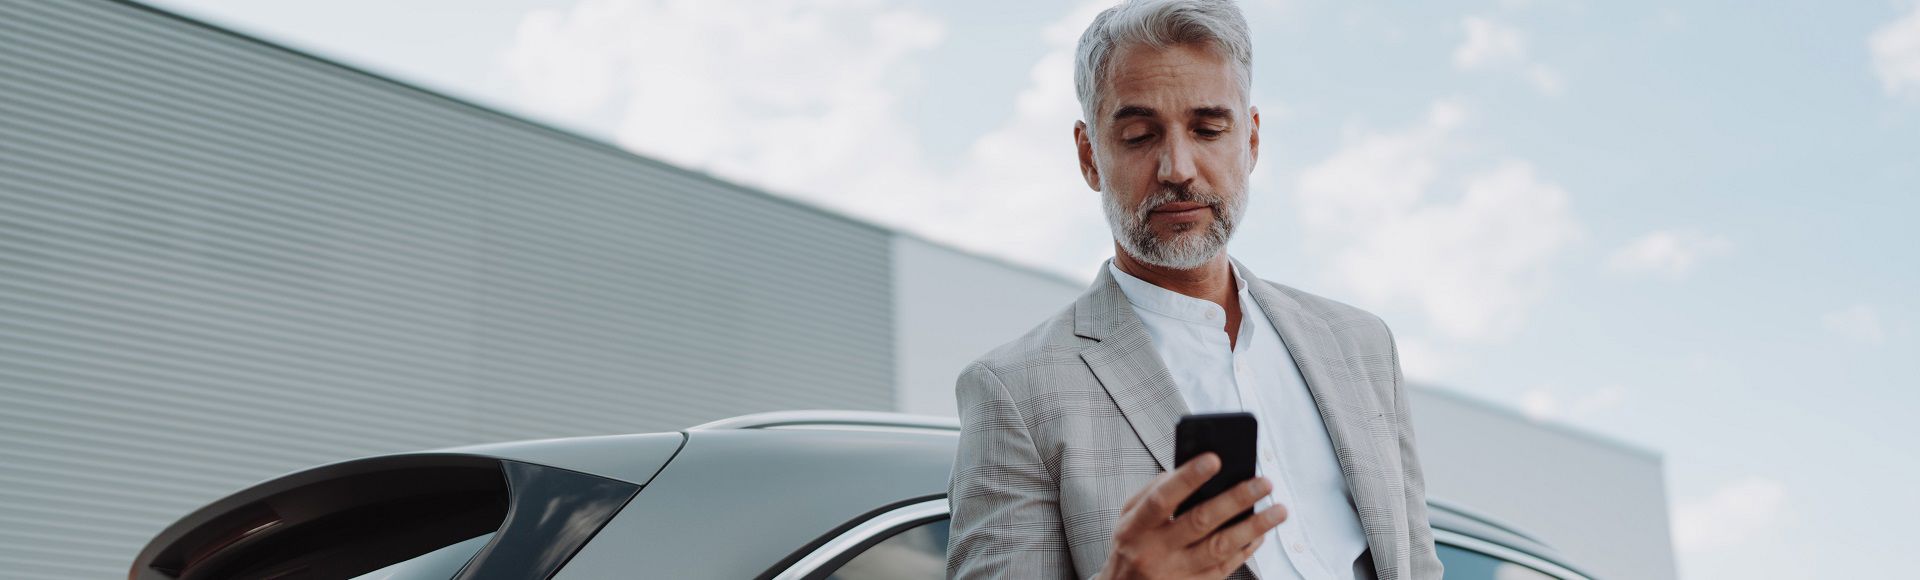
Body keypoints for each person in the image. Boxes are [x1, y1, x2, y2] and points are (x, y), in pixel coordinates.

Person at [944, 1, 1443, 578]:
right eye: (1138, 136)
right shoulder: (1014, 393)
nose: (1177, 168)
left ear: (1251, 141)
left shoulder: (1360, 345)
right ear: (1089, 156)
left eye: (1208, 130)